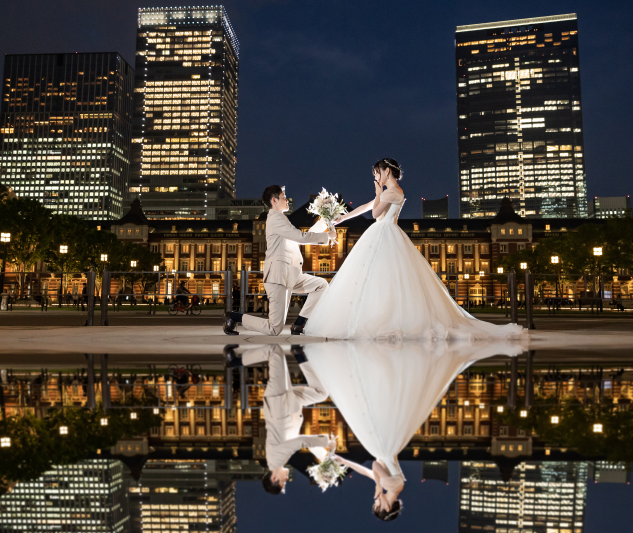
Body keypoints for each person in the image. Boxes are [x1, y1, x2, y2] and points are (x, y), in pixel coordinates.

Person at [304, 339, 526, 520]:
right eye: (377, 505)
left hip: (384, 445)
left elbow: (366, 471)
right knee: (367, 405)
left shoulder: (394, 487)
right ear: (386, 507)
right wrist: (378, 485)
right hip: (383, 445)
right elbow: (374, 466)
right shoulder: (391, 486)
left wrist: (342, 461)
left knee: (371, 405)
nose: (376, 501)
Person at [303, 158, 524, 340]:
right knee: (377, 279)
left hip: (385, 233)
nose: (376, 178)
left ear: (387, 171)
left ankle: (385, 320)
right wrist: (343, 218)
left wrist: (378, 192)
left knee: (382, 278)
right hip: (382, 234)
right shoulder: (389, 192)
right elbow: (366, 207)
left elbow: (375, 213)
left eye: (377, 173)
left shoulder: (393, 192)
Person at [223, 185, 336, 336]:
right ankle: (233, 317)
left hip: (290, 274)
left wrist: (324, 222)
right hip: (278, 277)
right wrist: (327, 236)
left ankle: (299, 324)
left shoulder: (281, 219)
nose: (287, 200)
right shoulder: (276, 219)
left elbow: (301, 237)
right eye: (284, 197)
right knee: (274, 328)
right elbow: (301, 237)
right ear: (274, 200)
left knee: (321, 285)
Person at [224, 344, 337, 494]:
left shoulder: (276, 460)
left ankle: (233, 362)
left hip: (278, 402)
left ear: (274, 478)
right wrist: (324, 457)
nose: (287, 478)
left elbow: (301, 441)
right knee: (320, 393)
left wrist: (327, 443)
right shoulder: (280, 460)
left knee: (274, 351)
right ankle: (298, 354)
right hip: (290, 405)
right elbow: (299, 440)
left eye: (283, 482)